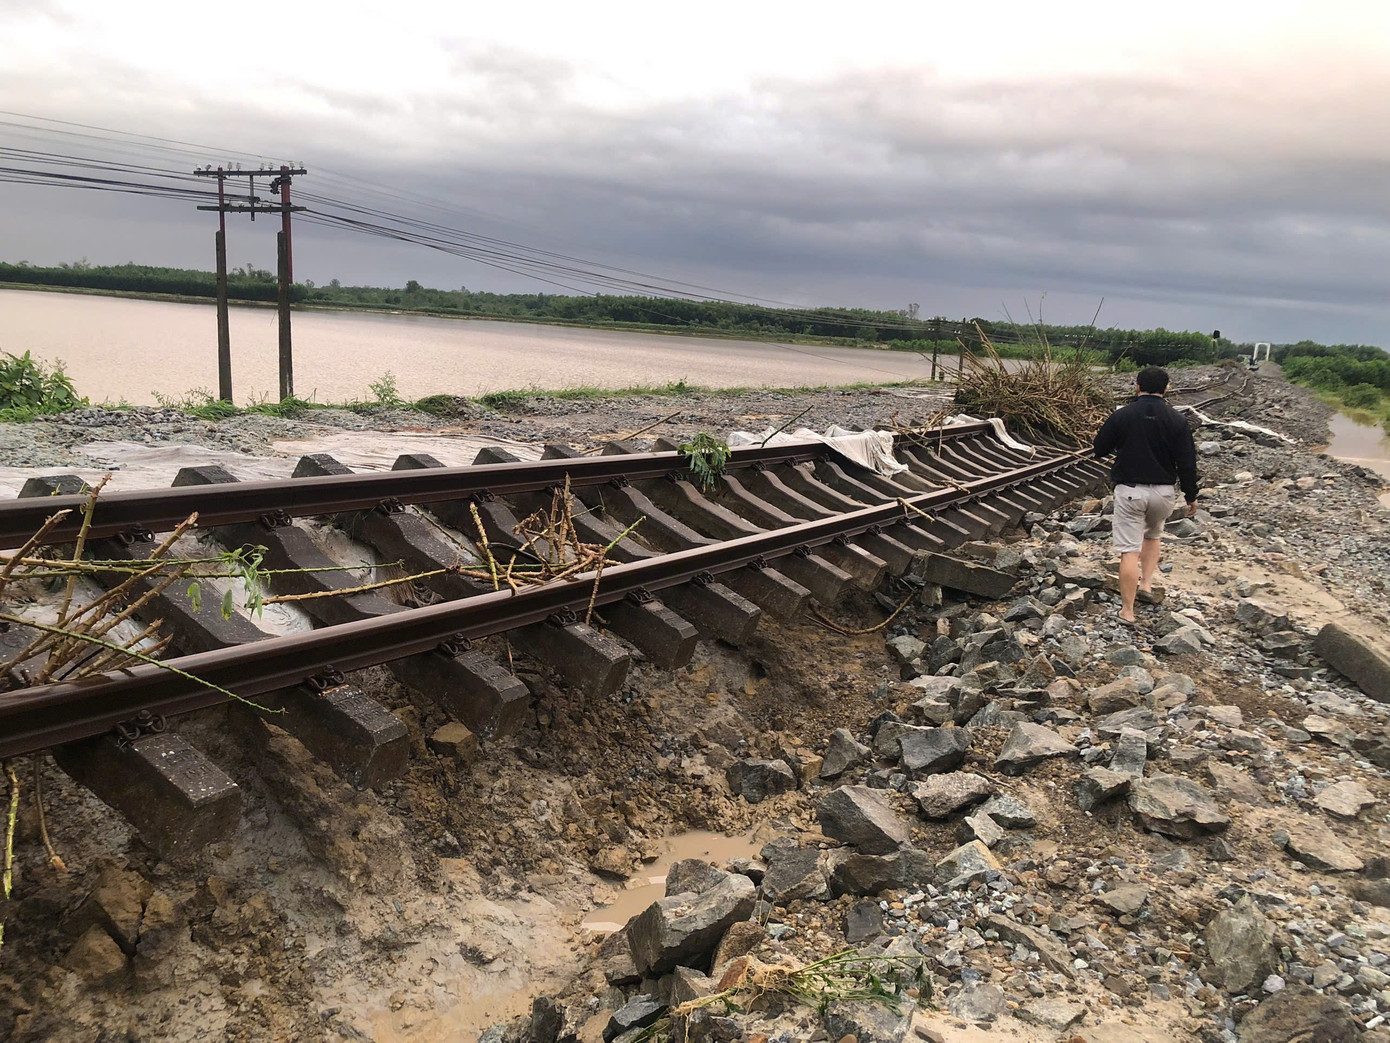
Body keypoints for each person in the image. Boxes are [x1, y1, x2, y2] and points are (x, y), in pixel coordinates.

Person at [1092, 366, 1199, 626]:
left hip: (1131, 491)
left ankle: (1127, 610)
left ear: (1137, 386)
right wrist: (1191, 495)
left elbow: (1099, 448)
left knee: (1129, 550)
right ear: (1167, 388)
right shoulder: (1177, 420)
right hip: (1163, 492)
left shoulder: (1123, 415)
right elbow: (1187, 462)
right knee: (1153, 535)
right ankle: (1147, 584)